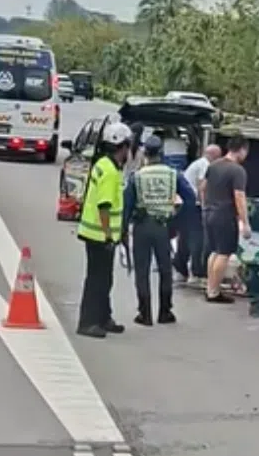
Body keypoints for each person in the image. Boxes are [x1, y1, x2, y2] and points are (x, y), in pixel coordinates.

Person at [123, 134, 195, 326]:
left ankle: (144, 314)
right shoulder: (174, 174)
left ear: (145, 154)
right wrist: (177, 219)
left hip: (142, 226)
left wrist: (123, 230)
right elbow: (190, 198)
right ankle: (165, 312)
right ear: (162, 154)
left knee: (142, 270)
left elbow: (127, 206)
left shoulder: (136, 177)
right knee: (165, 270)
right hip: (164, 226)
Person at [76, 121, 133, 339]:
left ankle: (103, 317)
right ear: (123, 146)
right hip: (100, 235)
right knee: (97, 280)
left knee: (104, 278)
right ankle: (89, 322)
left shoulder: (104, 164)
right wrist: (110, 235)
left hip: (95, 233)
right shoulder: (109, 171)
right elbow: (104, 206)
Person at [202, 134, 251, 303]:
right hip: (225, 215)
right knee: (224, 253)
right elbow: (239, 197)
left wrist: (205, 205)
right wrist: (245, 222)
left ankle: (210, 287)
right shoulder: (237, 171)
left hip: (209, 212)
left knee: (214, 251)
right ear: (242, 150)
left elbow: (203, 186)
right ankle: (214, 292)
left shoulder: (214, 165)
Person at [175, 143, 222, 286]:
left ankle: (180, 269)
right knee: (198, 239)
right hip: (194, 206)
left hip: (184, 205)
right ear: (215, 156)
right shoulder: (205, 165)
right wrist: (204, 207)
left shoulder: (197, 163)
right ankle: (197, 273)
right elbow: (202, 187)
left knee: (184, 238)